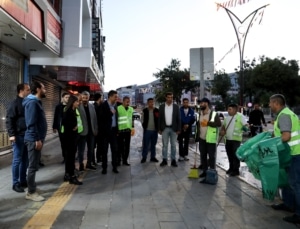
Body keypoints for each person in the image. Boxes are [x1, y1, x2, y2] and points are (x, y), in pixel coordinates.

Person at [269, 94, 300, 224]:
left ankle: (298, 214)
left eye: (270, 103)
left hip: (294, 155)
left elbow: (286, 136)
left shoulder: (284, 116)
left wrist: (271, 143)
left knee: (295, 184)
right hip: (290, 154)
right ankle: (288, 204)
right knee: (287, 181)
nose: (269, 106)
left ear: (276, 103)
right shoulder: (285, 114)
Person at [23, 81, 47, 201]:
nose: (45, 89)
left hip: (36, 139)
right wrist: (37, 139)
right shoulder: (32, 103)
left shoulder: (36, 102)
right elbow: (31, 123)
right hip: (33, 139)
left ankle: (32, 187)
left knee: (34, 165)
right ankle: (30, 193)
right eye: (43, 87)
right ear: (38, 89)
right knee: (32, 166)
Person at [6, 83, 31, 193]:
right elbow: (9, 120)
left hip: (27, 136)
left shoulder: (27, 102)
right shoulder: (15, 104)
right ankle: (15, 183)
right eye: (27, 89)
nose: (29, 91)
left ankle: (23, 180)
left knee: (25, 160)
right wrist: (12, 135)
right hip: (18, 136)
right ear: (21, 90)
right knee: (17, 160)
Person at [220, 103, 248, 176]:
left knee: (235, 155)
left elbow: (246, 125)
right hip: (228, 139)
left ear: (235, 110)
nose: (228, 111)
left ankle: (236, 170)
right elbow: (223, 126)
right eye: (228, 109)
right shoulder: (227, 118)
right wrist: (222, 131)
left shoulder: (240, 116)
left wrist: (245, 128)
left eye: (230, 109)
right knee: (229, 155)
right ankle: (231, 168)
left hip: (236, 140)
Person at [196, 98, 221, 179]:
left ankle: (212, 172)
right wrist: (197, 136)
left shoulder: (213, 113)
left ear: (206, 104)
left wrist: (208, 123)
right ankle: (204, 171)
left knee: (211, 157)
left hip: (210, 139)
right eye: (200, 104)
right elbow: (198, 125)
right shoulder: (199, 113)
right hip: (202, 138)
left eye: (202, 103)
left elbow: (218, 123)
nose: (200, 105)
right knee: (202, 156)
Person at [61, 95, 82, 185]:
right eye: (77, 101)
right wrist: (75, 127)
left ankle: (68, 175)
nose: (78, 103)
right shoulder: (69, 112)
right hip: (69, 139)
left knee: (70, 158)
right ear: (73, 102)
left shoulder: (72, 111)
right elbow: (67, 124)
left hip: (72, 138)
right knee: (70, 158)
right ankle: (72, 176)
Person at [98, 90, 119, 174]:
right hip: (105, 132)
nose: (116, 98)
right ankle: (104, 168)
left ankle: (114, 167)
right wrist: (110, 113)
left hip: (114, 131)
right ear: (110, 97)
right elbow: (101, 119)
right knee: (105, 150)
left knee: (115, 150)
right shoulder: (103, 106)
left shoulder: (116, 106)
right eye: (115, 96)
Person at [158, 92, 181, 167]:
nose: (170, 99)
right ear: (166, 97)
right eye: (168, 97)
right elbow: (159, 119)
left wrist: (178, 129)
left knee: (173, 145)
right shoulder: (161, 107)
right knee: (165, 145)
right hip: (165, 128)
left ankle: (173, 160)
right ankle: (164, 160)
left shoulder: (176, 107)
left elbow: (179, 119)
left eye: (171, 97)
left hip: (174, 129)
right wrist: (159, 129)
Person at [77, 91, 98, 171]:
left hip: (91, 132)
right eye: (83, 97)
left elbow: (95, 119)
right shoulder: (78, 106)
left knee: (91, 149)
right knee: (81, 150)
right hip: (82, 132)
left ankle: (89, 164)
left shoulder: (92, 106)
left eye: (86, 98)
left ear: (89, 98)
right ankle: (81, 164)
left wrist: (96, 129)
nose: (85, 99)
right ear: (81, 97)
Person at [52, 92, 70, 163]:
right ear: (62, 98)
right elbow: (56, 117)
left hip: (69, 128)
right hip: (61, 128)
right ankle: (65, 157)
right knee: (63, 143)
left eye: (69, 97)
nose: (68, 99)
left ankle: (69, 157)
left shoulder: (71, 106)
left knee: (69, 143)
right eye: (66, 97)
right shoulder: (58, 106)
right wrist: (54, 127)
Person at [117, 96, 134, 166]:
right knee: (120, 146)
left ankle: (125, 160)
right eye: (127, 101)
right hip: (120, 131)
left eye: (129, 101)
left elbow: (131, 119)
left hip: (128, 130)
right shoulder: (118, 108)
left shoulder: (131, 109)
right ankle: (119, 159)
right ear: (123, 101)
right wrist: (116, 130)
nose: (128, 103)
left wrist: (132, 128)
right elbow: (116, 119)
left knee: (127, 146)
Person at [141, 98, 159, 163]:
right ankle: (144, 157)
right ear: (148, 103)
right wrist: (144, 126)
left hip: (154, 131)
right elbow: (142, 119)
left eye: (152, 102)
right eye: (150, 102)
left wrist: (158, 128)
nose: (151, 103)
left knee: (153, 145)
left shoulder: (156, 110)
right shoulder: (145, 110)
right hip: (147, 131)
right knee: (146, 144)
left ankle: (153, 157)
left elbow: (158, 119)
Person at [93, 92, 103, 164]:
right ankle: (98, 159)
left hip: (97, 129)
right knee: (98, 145)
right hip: (97, 129)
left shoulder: (94, 105)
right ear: (100, 98)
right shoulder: (96, 106)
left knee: (96, 145)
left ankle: (96, 159)